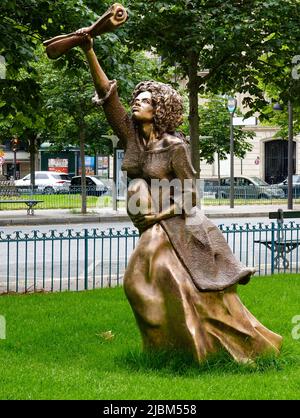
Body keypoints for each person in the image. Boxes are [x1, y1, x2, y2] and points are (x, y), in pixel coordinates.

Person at [78, 31, 282, 363]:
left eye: (145, 100)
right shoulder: (131, 135)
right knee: (140, 285)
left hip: (175, 222)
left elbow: (191, 193)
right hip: (151, 222)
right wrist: (89, 50)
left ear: (159, 110)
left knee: (153, 281)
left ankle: (191, 349)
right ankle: (162, 348)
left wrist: (158, 216)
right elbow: (107, 94)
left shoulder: (174, 146)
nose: (137, 102)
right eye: (137, 98)